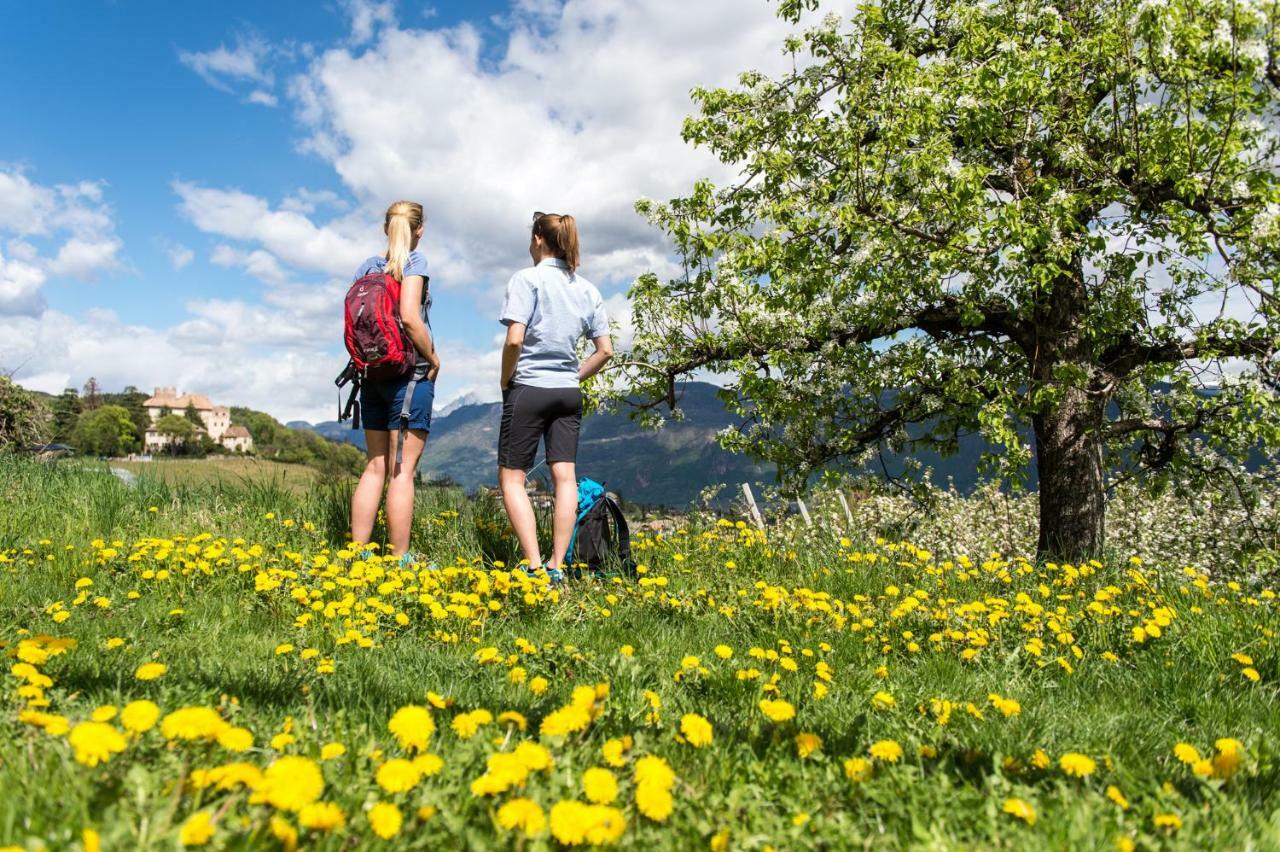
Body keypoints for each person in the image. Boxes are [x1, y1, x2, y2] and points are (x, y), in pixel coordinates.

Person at [498, 212, 613, 581]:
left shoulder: (526, 279)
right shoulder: (587, 288)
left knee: (512, 479)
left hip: (529, 387)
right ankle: (556, 566)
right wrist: (572, 375)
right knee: (566, 478)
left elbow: (515, 338)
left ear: (537, 239)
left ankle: (533, 565)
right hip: (568, 392)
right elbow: (605, 350)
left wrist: (506, 380)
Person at [350, 200, 440, 561]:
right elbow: (408, 316)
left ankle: (357, 554)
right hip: (409, 374)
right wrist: (433, 359)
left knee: (375, 466)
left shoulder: (365, 267)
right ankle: (400, 559)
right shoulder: (415, 263)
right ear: (419, 230)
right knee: (401, 472)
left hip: (372, 371)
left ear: (385, 228)